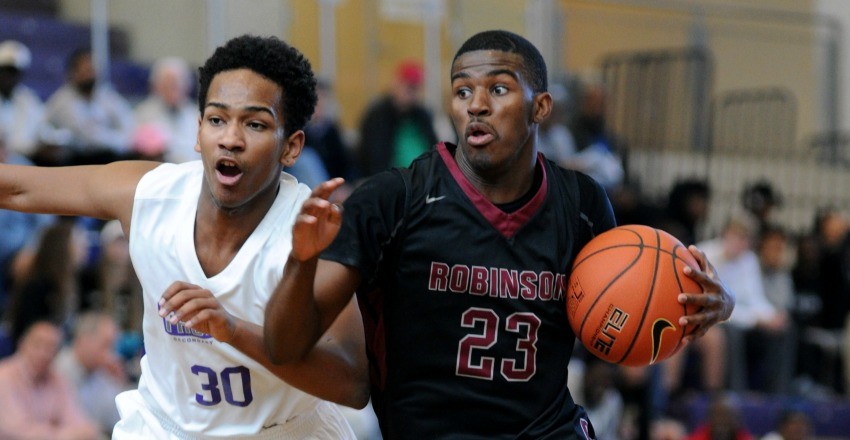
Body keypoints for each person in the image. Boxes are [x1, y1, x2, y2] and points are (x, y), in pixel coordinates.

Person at [263, 29, 734, 438]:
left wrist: (709, 305)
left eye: (500, 89)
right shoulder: (392, 201)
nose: (478, 106)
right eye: (463, 92)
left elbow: (620, 323)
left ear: (541, 106)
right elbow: (284, 347)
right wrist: (300, 262)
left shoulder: (582, 205)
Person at [0, 34, 368, 438]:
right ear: (197, 133)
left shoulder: (311, 229)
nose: (230, 138)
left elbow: (351, 384)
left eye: (255, 124)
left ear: (291, 147)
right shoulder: (148, 193)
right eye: (217, 119)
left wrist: (233, 331)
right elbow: (17, 187)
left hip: (283, 430)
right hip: (165, 426)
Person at [0, 320, 100, 440]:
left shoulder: (57, 380)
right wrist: (64, 434)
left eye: (51, 347)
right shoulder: (4, 377)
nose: (44, 353)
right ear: (22, 343)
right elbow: (15, 432)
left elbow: (83, 426)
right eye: (38, 344)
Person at [44, 47, 135, 165]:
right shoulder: (61, 101)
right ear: (73, 73)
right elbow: (86, 138)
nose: (89, 74)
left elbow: (128, 127)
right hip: (77, 160)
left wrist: (111, 140)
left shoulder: (108, 97)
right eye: (85, 70)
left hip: (108, 156)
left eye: (91, 69)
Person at [54, 311, 132, 436]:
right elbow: (78, 428)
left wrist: (120, 384)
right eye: (106, 345)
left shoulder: (100, 372)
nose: (112, 355)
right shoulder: (58, 371)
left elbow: (119, 418)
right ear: (84, 340)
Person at [356, 59, 438, 177]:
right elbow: (373, 159)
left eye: (416, 88)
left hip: (424, 180)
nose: (412, 93)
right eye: (409, 87)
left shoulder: (422, 116)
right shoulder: (377, 117)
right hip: (391, 182)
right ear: (396, 83)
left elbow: (434, 149)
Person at [134, 56, 200, 163]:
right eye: (167, 83)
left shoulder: (197, 114)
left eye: (178, 82)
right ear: (156, 86)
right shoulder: (143, 114)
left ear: (188, 85)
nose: (173, 87)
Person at [0, 40, 46, 159]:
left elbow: (42, 129)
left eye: (13, 72)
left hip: (25, 158)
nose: (8, 77)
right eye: (4, 71)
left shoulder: (28, 98)